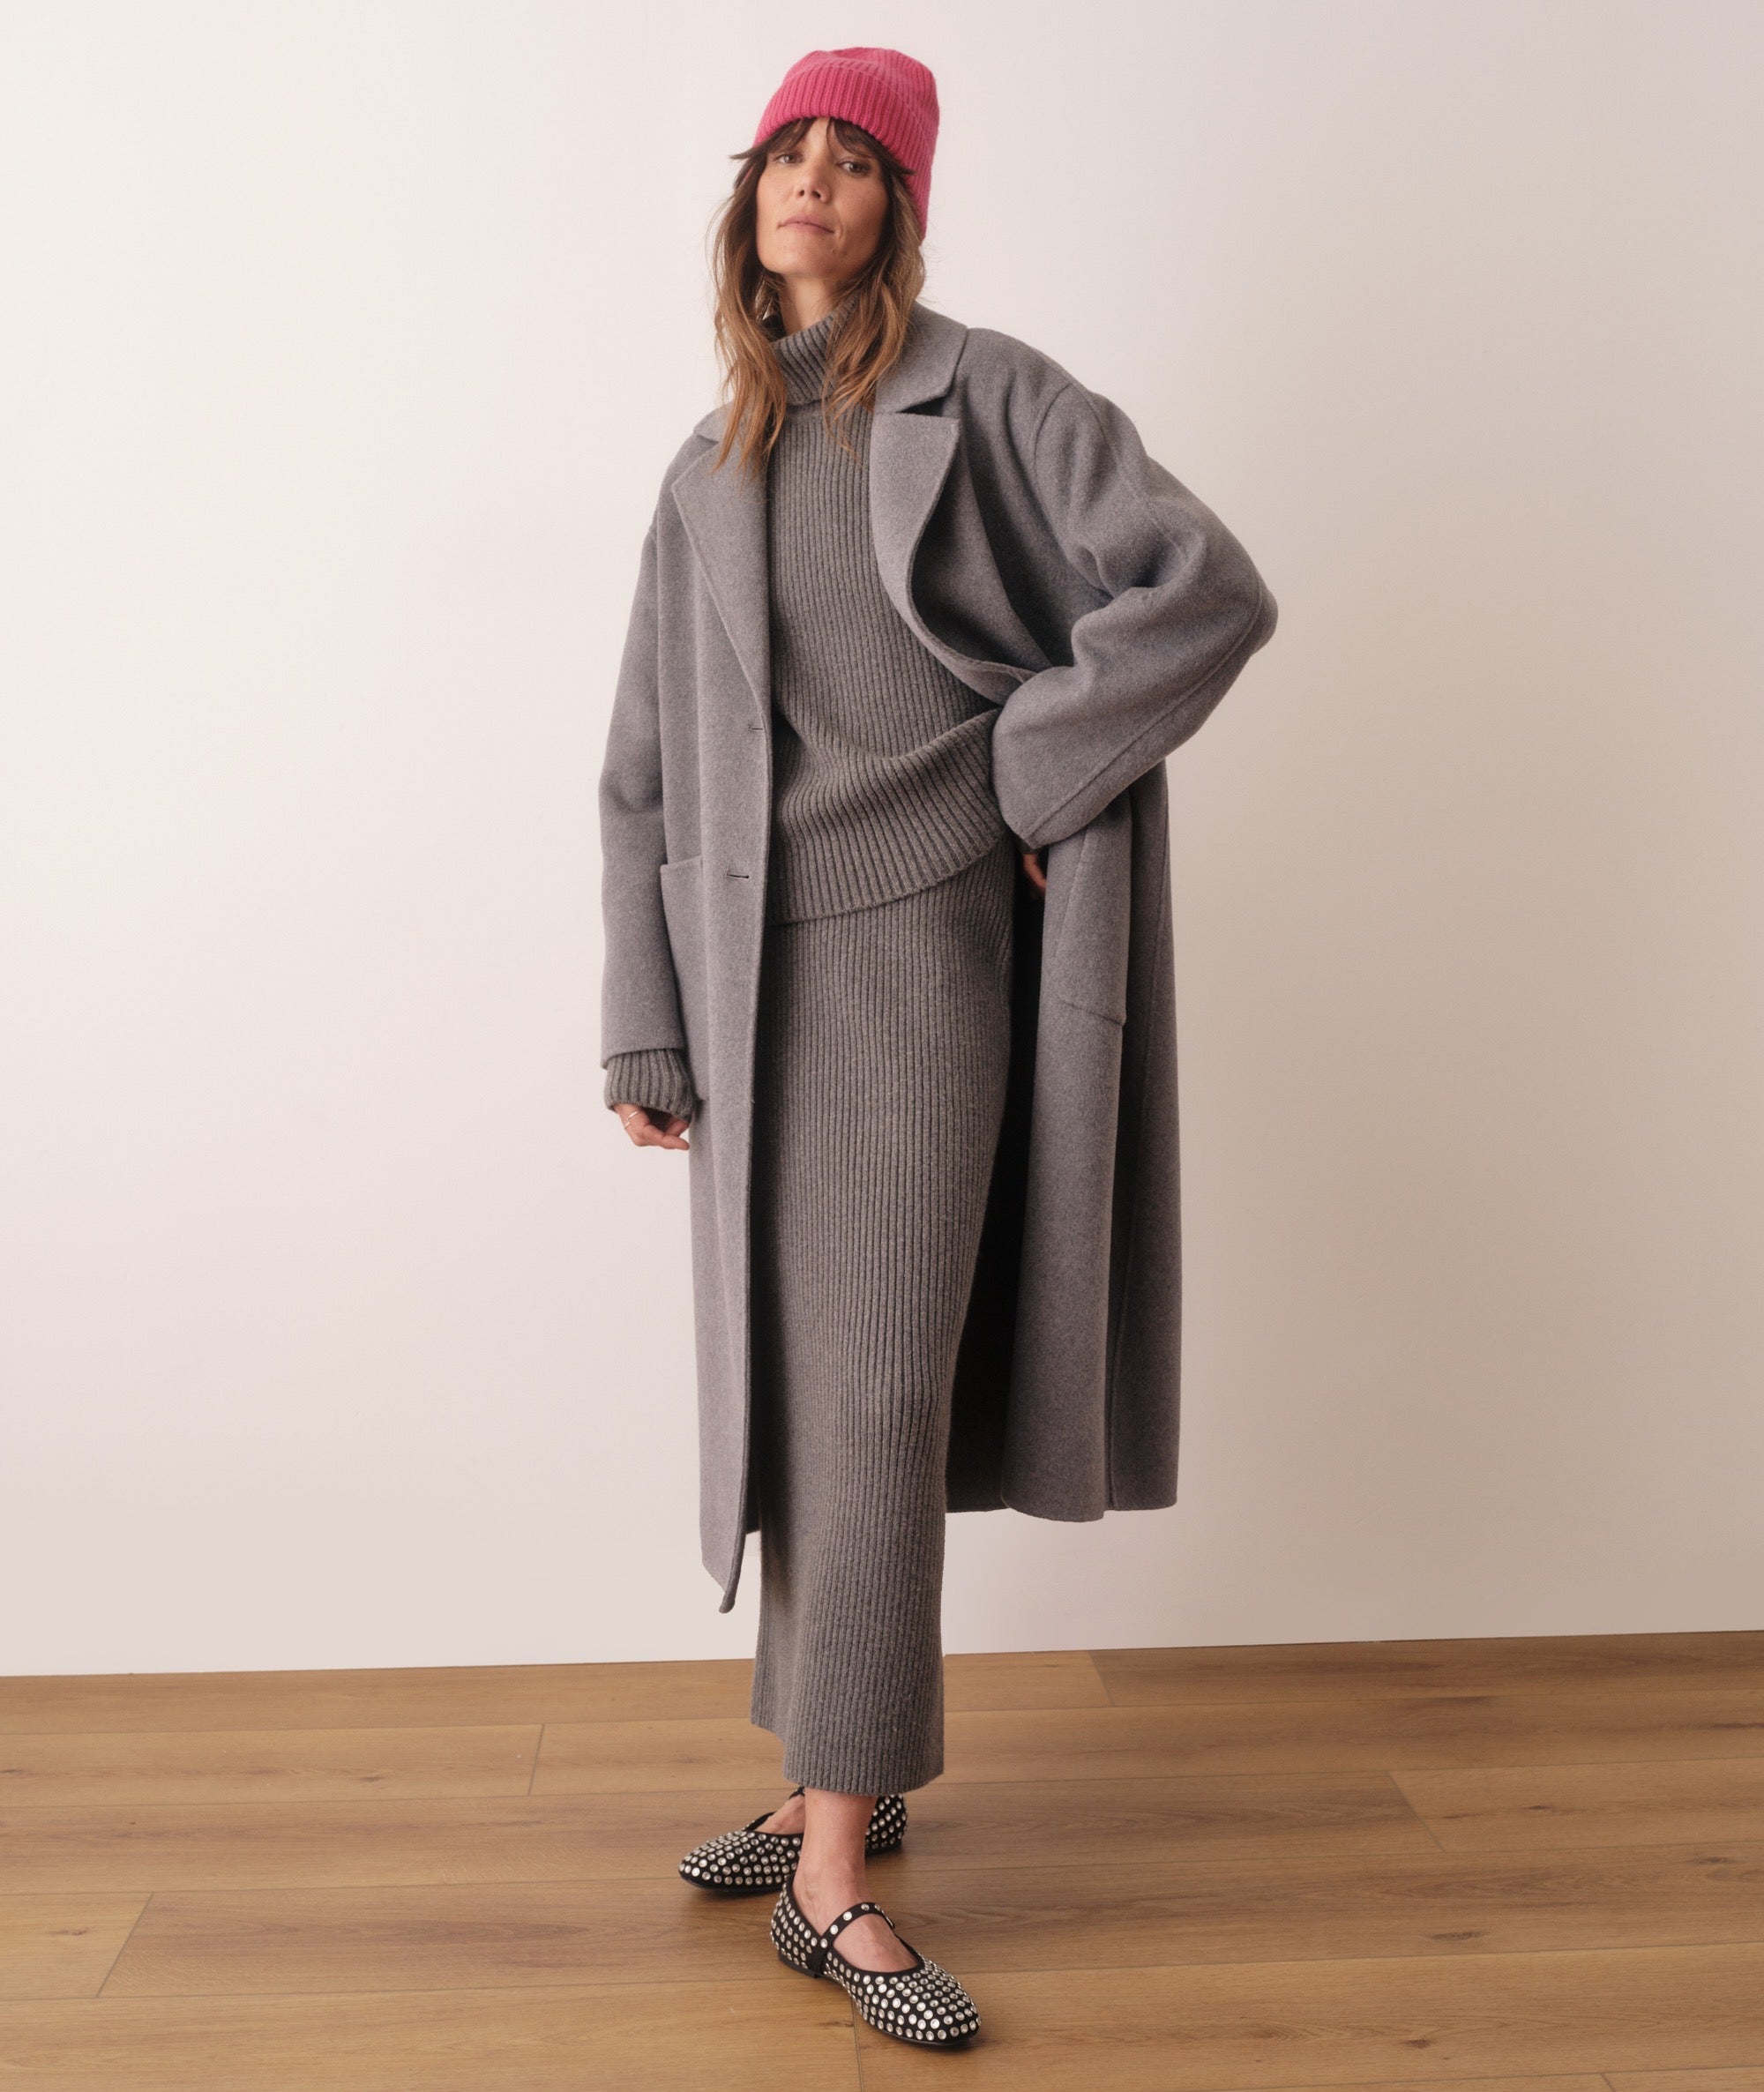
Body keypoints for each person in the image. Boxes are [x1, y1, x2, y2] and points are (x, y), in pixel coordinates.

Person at [597, 46, 1277, 2048]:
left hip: (921, 953)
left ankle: (831, 1880)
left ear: (900, 203)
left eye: (854, 159)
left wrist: (1026, 770)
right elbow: (639, 774)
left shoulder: (992, 395)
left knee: (880, 1391)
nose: (810, 181)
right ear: (749, 196)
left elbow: (1203, 589)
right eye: (785, 152)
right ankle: (840, 1765)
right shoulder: (705, 464)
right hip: (747, 982)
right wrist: (641, 1011)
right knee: (805, 1401)